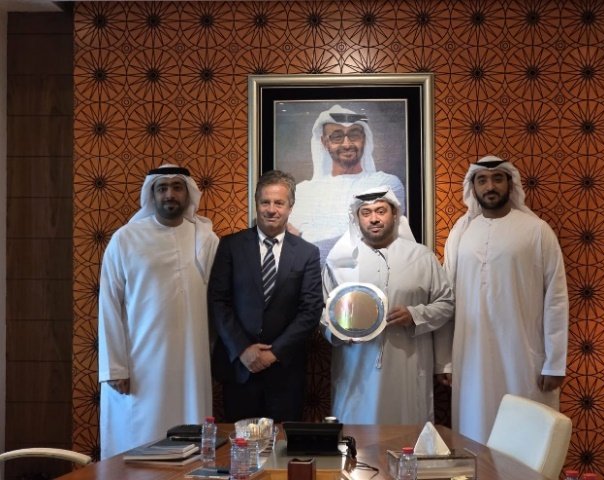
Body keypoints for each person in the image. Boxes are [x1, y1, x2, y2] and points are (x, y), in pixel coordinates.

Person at [443, 155, 569, 444]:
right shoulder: (461, 232)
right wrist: (446, 362)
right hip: (470, 357)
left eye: (497, 179)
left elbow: (556, 298)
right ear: (473, 187)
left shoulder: (537, 230)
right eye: (482, 180)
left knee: (524, 435)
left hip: (522, 356)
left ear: (510, 184)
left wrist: (554, 363)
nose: (490, 186)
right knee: (474, 430)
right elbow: (447, 299)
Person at [98, 164, 219, 459]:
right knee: (140, 440)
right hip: (140, 364)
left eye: (177, 187)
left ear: (188, 193)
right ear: (151, 194)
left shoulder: (206, 240)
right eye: (162, 188)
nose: (169, 195)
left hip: (192, 363)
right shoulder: (125, 239)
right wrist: (115, 367)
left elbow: (219, 304)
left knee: (190, 439)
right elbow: (109, 305)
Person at [321, 186, 454, 424]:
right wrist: (340, 331)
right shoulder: (339, 261)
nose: (374, 218)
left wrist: (414, 315)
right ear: (357, 218)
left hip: (407, 365)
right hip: (355, 368)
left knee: (407, 430)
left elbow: (446, 303)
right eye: (366, 212)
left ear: (394, 214)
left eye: (381, 211)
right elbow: (323, 312)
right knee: (356, 432)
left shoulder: (422, 257)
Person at [208, 170, 323, 422]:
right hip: (240, 369)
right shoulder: (230, 245)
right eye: (265, 202)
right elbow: (218, 302)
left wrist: (273, 353)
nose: (271, 209)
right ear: (256, 204)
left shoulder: (307, 253)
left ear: (290, 206)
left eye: (279, 203)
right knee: (238, 442)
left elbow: (311, 309)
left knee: (282, 443)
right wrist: (242, 349)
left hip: (285, 371)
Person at [288, 104, 407, 263]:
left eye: (354, 135)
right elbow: (289, 248)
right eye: (337, 136)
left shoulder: (385, 184)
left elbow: (370, 240)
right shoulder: (303, 191)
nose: (347, 144)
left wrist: (305, 237)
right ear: (324, 142)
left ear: (364, 139)